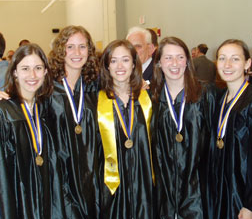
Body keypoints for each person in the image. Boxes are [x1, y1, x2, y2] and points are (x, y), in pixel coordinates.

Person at [207, 39, 252, 219]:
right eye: (222, 58)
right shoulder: (220, 99)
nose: (228, 65)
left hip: (245, 195)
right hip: (225, 189)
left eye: (235, 59)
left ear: (248, 63)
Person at [150, 36, 217, 218]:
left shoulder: (205, 94)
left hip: (198, 192)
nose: (174, 63)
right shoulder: (152, 100)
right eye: (168, 57)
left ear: (188, 60)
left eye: (180, 57)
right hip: (164, 194)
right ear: (159, 63)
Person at [46, 25, 100, 218]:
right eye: (70, 47)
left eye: (83, 47)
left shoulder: (94, 86)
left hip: (90, 173)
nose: (77, 53)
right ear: (61, 50)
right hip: (59, 175)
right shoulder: (47, 88)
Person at [98, 39, 154, 218]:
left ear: (134, 64)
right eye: (113, 61)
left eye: (125, 60)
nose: (119, 66)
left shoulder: (149, 99)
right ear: (107, 66)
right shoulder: (95, 103)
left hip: (144, 184)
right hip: (111, 187)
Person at [0, 43, 58, 218]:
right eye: (25, 68)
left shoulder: (49, 109)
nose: (32, 75)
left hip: (46, 200)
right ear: (15, 72)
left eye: (38, 68)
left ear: (45, 71)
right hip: (16, 202)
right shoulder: (4, 112)